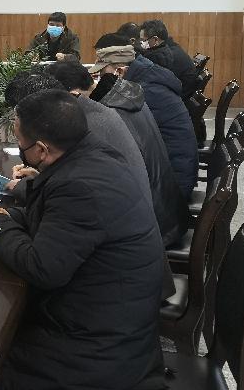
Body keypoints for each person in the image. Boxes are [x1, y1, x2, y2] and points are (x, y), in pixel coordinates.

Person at [0, 90, 166, 390]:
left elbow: (43, 267)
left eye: (21, 143)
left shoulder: (79, 187)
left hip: (98, 349)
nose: (20, 150)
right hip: (112, 323)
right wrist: (11, 217)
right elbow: (57, 226)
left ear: (42, 150)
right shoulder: (94, 155)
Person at [48, 62, 190, 249]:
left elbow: (92, 184)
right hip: (167, 210)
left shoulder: (105, 115)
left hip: (153, 230)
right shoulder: (124, 95)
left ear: (73, 94)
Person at [91, 36, 198, 198]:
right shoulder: (147, 77)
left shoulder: (144, 91)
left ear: (120, 71)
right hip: (171, 172)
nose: (100, 78)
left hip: (172, 187)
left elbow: (120, 136)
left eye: (102, 73)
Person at [140, 19, 198, 98]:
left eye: (143, 40)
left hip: (179, 96)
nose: (141, 44)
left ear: (155, 40)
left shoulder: (162, 56)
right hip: (184, 92)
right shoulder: (171, 46)